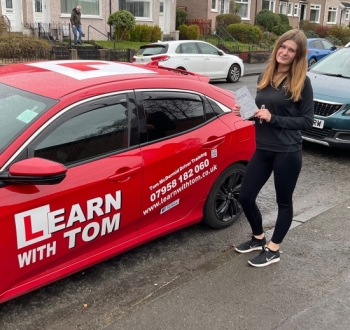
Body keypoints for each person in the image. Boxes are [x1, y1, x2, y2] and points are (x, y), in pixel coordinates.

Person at [232, 29, 314, 267]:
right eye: (283, 47)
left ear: (297, 55)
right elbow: (261, 113)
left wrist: (273, 118)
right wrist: (246, 114)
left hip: (287, 151)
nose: (285, 53)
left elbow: (306, 121)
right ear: (277, 47)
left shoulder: (301, 82)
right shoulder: (266, 75)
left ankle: (274, 249)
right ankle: (258, 238)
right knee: (245, 196)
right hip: (264, 148)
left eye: (291, 50)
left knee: (283, 202)